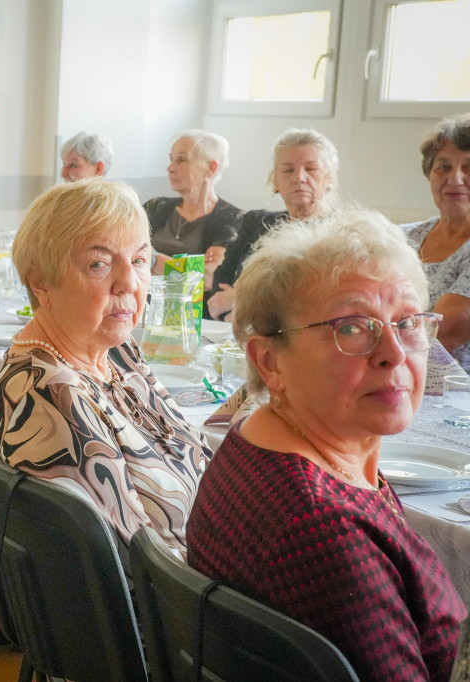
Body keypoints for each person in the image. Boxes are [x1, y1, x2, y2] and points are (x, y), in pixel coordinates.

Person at [187, 209, 467, 681]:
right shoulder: (326, 532)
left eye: (407, 322)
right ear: (269, 361)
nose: (394, 353)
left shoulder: (259, 439)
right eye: (351, 327)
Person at [0, 179, 211, 561]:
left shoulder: (116, 350)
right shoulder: (52, 398)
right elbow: (142, 566)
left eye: (139, 260)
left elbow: (191, 448)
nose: (129, 283)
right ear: (41, 280)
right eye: (99, 264)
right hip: (186, 589)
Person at [208, 128, 338, 321]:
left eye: (311, 169)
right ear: (274, 179)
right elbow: (219, 287)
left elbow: (314, 304)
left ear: (329, 178)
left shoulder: (339, 233)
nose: (299, 177)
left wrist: (241, 302)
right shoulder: (255, 221)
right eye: (288, 170)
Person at [402, 113, 470, 372]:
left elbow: (441, 333)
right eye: (443, 167)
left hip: (455, 389)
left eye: (469, 167)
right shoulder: (400, 237)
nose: (455, 179)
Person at [144, 130, 243, 285]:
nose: (170, 168)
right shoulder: (155, 207)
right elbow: (124, 252)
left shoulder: (231, 219)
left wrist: (152, 258)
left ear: (210, 169)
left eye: (181, 160)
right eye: (171, 159)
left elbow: (207, 278)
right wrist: (189, 267)